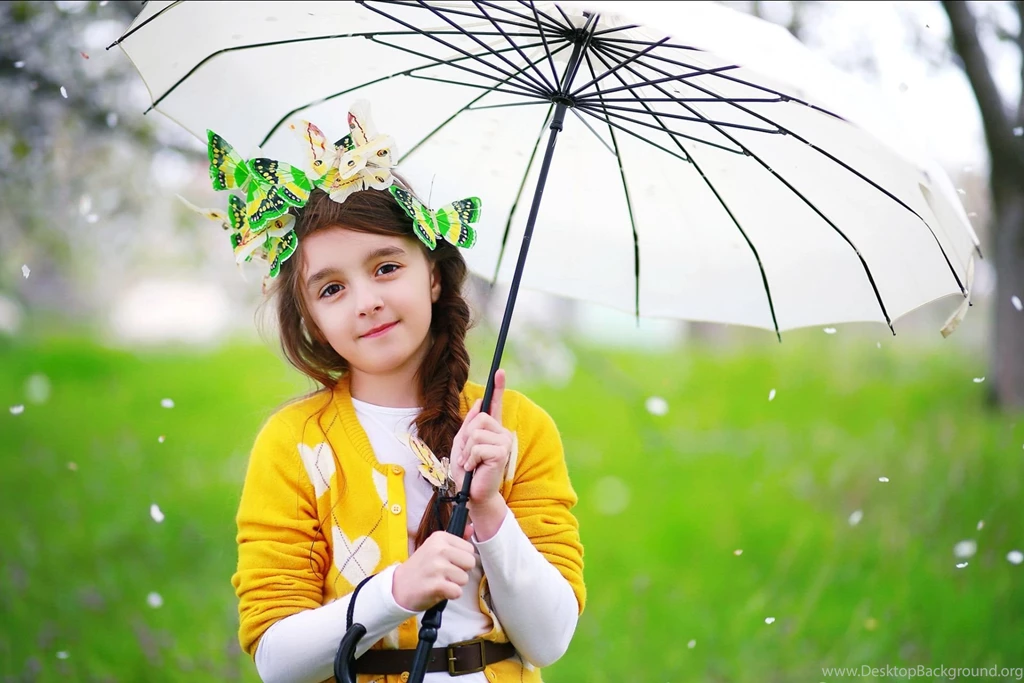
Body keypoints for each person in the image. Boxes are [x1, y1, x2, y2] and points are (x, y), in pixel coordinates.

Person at [196, 101, 586, 683]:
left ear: (431, 273)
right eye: (332, 288)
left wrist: (488, 506)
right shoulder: (294, 445)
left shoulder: (514, 430)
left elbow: (549, 639)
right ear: (311, 319)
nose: (365, 301)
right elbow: (276, 661)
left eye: (385, 268)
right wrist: (395, 594)